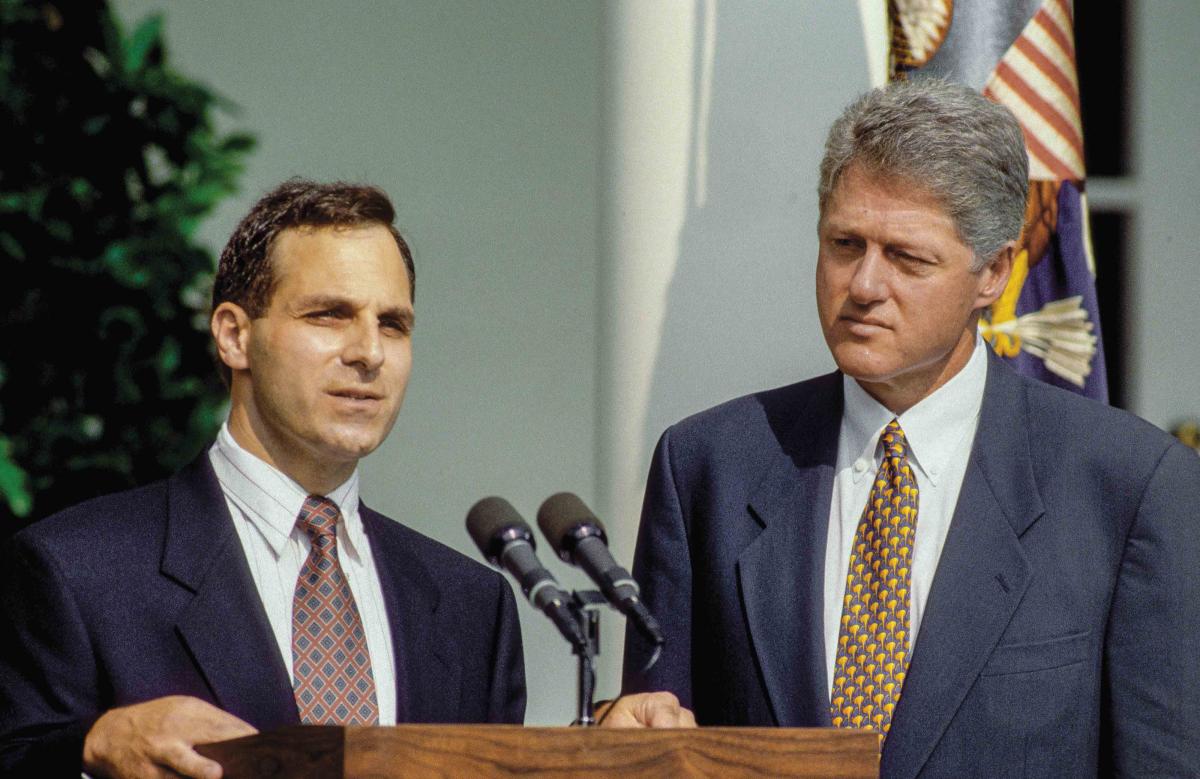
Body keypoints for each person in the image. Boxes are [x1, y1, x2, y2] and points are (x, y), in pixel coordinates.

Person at [621, 80, 1200, 775]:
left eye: (906, 257)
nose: (863, 284)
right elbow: (653, 737)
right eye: (844, 243)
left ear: (992, 273)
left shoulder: (1127, 487)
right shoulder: (709, 468)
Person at [0, 180, 524, 778]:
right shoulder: (79, 570)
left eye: (394, 324)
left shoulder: (471, 608)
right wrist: (92, 746)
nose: (369, 352)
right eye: (330, 315)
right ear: (234, 335)